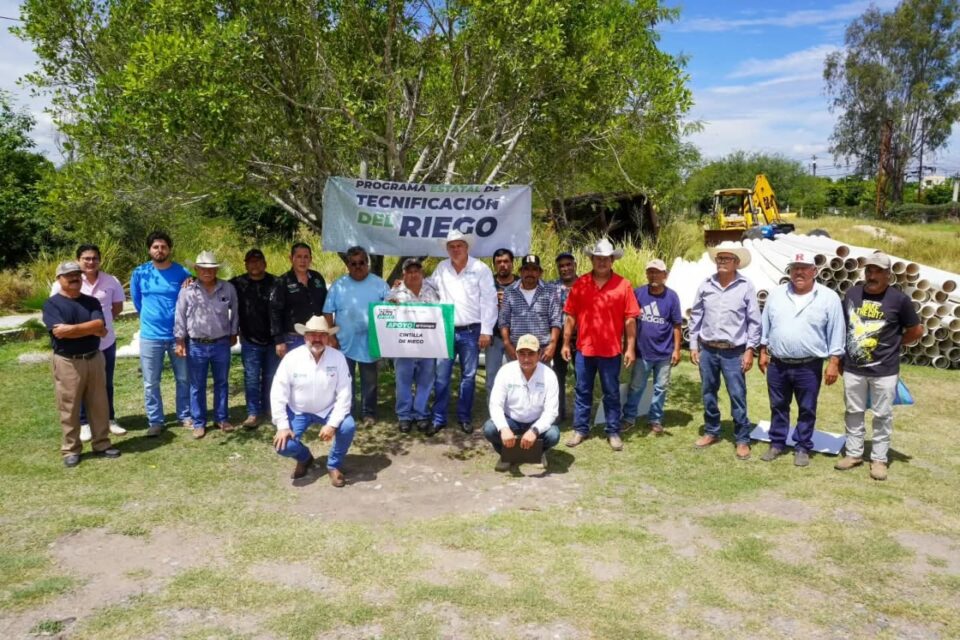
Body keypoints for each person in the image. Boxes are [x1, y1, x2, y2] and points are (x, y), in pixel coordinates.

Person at [835, 252, 923, 481]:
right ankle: (853, 454)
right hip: (854, 368)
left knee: (882, 415)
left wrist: (895, 344)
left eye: (878, 272)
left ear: (888, 275)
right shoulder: (852, 294)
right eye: (869, 270)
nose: (872, 275)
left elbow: (916, 331)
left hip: (885, 370)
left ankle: (879, 459)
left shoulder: (899, 300)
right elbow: (844, 326)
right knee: (853, 412)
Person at [758, 252, 845, 467]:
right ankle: (777, 443)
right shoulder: (776, 294)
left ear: (814, 271)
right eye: (795, 268)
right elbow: (765, 324)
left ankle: (802, 446)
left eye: (804, 268)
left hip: (809, 365)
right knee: (778, 405)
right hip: (778, 363)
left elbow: (837, 331)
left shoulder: (828, 298)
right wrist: (763, 350)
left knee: (807, 407)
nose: (799, 272)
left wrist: (834, 362)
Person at [561, 238, 639, 451]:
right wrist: (565, 343)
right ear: (591, 260)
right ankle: (580, 429)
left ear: (612, 260)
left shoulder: (624, 285)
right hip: (584, 349)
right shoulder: (580, 284)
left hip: (611, 350)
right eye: (598, 258)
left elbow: (630, 319)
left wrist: (630, 347)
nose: (602, 262)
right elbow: (570, 316)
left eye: (606, 258)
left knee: (611, 392)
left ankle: (613, 431)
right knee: (582, 390)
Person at [43, 261, 121, 467]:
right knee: (69, 406)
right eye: (68, 275)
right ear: (59, 279)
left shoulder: (92, 301)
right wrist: (91, 328)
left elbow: (100, 326)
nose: (74, 278)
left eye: (77, 274)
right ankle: (71, 449)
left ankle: (102, 444)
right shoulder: (52, 304)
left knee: (99, 404)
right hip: (68, 361)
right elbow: (59, 333)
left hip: (94, 358)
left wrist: (71, 329)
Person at [688, 242, 761, 460]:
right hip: (708, 350)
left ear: (736, 263)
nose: (721, 262)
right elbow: (696, 316)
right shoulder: (706, 284)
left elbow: (754, 322)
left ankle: (742, 439)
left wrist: (750, 350)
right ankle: (712, 431)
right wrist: (693, 345)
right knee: (708, 392)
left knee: (737, 395)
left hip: (734, 352)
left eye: (726, 259)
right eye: (719, 258)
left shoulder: (746, 286)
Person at [50, 244, 126, 441]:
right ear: (78, 260)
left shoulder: (111, 281)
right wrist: (92, 327)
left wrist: (99, 325)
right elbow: (57, 317)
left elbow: (117, 308)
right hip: (76, 348)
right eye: (86, 258)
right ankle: (84, 423)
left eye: (94, 258)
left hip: (105, 341)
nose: (91, 262)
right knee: (78, 386)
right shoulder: (66, 281)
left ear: (100, 260)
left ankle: (109, 419)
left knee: (106, 383)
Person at [270, 315, 355, 487]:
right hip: (298, 410)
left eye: (322, 335)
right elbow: (278, 391)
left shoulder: (338, 357)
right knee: (283, 446)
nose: (317, 339)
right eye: (312, 334)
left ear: (328, 337)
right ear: (305, 337)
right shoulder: (292, 358)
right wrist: (282, 426)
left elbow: (345, 393)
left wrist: (332, 424)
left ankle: (333, 465)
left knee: (347, 426)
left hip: (328, 408)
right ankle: (305, 458)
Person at [428, 229, 498, 434]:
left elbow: (489, 301)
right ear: (447, 249)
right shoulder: (441, 268)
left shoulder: (480, 269)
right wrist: (407, 282)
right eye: (451, 246)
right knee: (441, 376)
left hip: (471, 331)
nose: (455, 249)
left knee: (468, 376)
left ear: (467, 247)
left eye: (459, 245)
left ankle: (464, 417)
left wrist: (486, 331)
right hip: (446, 330)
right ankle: (438, 418)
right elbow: (429, 287)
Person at [130, 231, 192, 436]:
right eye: (155, 247)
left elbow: (189, 297)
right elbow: (137, 301)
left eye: (163, 247)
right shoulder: (140, 273)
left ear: (169, 249)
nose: (159, 250)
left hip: (178, 336)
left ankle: (184, 415)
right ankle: (155, 421)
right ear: (149, 250)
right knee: (151, 382)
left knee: (183, 378)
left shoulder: (181, 272)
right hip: (150, 336)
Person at [323, 246, 391, 427]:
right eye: (353, 263)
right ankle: (347, 412)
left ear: (367, 263)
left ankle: (368, 413)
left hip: (370, 343)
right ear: (348, 265)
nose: (358, 266)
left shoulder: (380, 284)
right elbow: (328, 311)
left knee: (370, 382)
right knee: (345, 381)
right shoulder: (338, 285)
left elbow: (392, 308)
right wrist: (331, 335)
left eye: (361, 262)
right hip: (344, 343)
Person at [174, 251, 239, 439]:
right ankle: (199, 422)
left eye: (211, 269)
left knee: (222, 382)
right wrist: (179, 339)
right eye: (203, 269)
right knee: (197, 385)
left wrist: (234, 332)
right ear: (196, 269)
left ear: (217, 269)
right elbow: (180, 315)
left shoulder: (228, 288)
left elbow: (235, 311)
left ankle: (221, 418)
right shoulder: (187, 290)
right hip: (196, 344)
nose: (207, 272)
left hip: (221, 343)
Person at [620, 259, 682, 435]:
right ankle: (629, 418)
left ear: (665, 275)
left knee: (661, 387)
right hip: (642, 352)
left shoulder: (672, 297)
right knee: (636, 386)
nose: (653, 275)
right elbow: (629, 320)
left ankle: (655, 419)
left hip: (664, 353)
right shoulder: (638, 293)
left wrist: (677, 349)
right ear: (647, 274)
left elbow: (677, 325)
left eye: (657, 272)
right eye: (650, 272)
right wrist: (628, 346)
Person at [483, 334, 561, 471]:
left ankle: (538, 453)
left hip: (536, 420)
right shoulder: (505, 371)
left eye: (531, 354)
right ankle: (506, 454)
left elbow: (551, 411)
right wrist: (504, 428)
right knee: (489, 429)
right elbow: (495, 404)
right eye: (522, 354)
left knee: (553, 435)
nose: (526, 359)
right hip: (511, 420)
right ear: (516, 354)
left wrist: (535, 430)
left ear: (539, 354)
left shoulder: (549, 375)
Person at [387, 257, 440, 434]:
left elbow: (440, 314)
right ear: (404, 274)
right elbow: (385, 314)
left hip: (428, 346)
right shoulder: (395, 292)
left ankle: (421, 414)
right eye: (409, 271)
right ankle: (404, 416)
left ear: (421, 272)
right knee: (403, 382)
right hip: (403, 347)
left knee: (425, 382)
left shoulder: (431, 290)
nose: (413, 274)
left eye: (416, 271)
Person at [230, 248, 278, 429]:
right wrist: (191, 279)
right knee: (251, 378)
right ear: (246, 265)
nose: (255, 265)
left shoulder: (276, 282)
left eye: (258, 261)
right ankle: (253, 413)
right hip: (250, 340)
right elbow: (214, 284)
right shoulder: (237, 283)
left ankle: (270, 408)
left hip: (273, 340)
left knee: (271, 377)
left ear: (265, 263)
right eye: (251, 261)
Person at [499, 254, 561, 365]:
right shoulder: (510, 291)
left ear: (540, 272)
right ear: (520, 272)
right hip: (516, 350)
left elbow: (555, 320)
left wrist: (552, 345)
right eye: (526, 269)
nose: (530, 273)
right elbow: (504, 321)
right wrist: (507, 344)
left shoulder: (550, 291)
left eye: (534, 269)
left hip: (541, 351)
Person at [270, 242, 327, 358]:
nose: (303, 261)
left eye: (306, 257)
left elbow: (326, 306)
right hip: (293, 338)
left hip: (317, 337)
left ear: (310, 259)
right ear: (291, 259)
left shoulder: (317, 278)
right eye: (299, 257)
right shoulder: (283, 281)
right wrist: (279, 341)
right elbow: (275, 311)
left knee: (317, 368)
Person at [551, 252, 579, 421]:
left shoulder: (585, 285)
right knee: (557, 376)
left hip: (581, 338)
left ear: (574, 265)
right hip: (559, 338)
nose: (565, 268)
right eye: (561, 266)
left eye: (568, 264)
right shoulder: (551, 287)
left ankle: (580, 415)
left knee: (581, 376)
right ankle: (558, 413)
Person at [485, 248, 517, 398]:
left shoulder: (521, 282)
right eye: (499, 262)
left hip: (516, 337)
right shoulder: (487, 283)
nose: (502, 265)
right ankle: (493, 409)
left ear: (512, 263)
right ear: (494, 264)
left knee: (516, 376)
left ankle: (515, 408)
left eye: (506, 261)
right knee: (492, 376)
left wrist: (510, 301)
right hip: (494, 337)